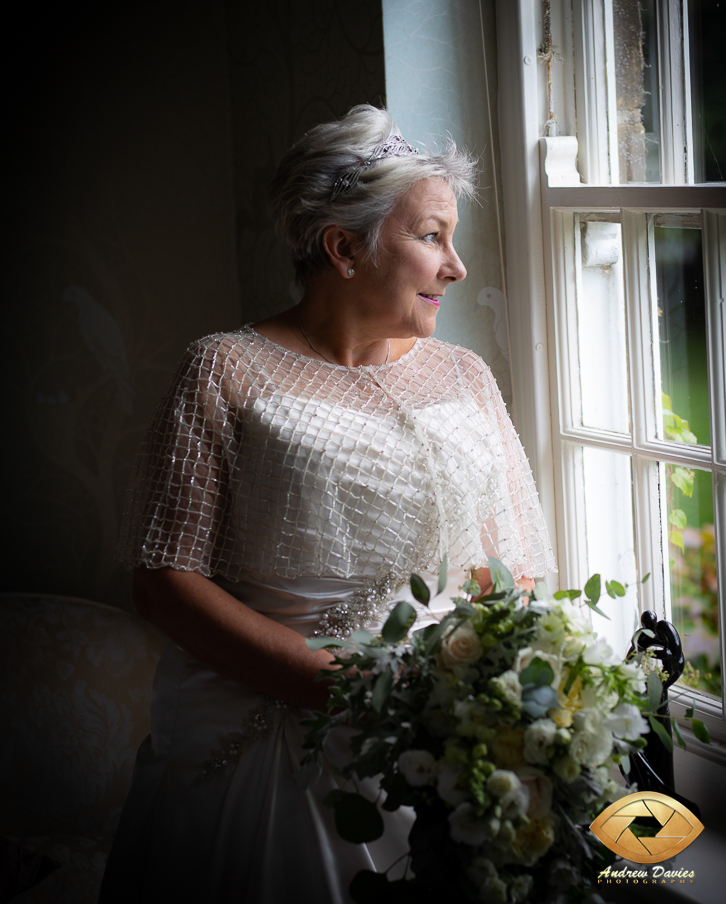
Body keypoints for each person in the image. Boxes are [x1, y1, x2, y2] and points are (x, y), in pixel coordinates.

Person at [98, 105, 556, 904]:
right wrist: (322, 683)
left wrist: (486, 689)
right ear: (344, 247)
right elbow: (163, 578)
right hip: (271, 737)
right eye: (432, 237)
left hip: (444, 729)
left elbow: (511, 562)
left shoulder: (464, 376)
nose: (457, 266)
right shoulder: (225, 370)